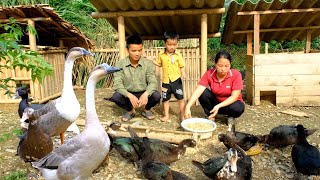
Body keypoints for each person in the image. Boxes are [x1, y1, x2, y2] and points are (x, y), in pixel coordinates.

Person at [184, 51, 244, 130]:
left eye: (227, 66)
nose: (223, 69)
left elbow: (234, 96)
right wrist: (188, 106)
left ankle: (230, 117)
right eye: (220, 65)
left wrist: (218, 106)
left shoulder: (236, 75)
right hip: (216, 103)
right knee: (203, 93)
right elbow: (199, 90)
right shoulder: (209, 73)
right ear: (215, 64)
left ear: (230, 65)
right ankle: (211, 115)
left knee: (238, 107)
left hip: (230, 104)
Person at [108, 34, 161, 121]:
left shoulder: (148, 64)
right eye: (134, 51)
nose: (137, 53)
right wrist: (129, 95)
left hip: (143, 92)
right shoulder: (120, 64)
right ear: (127, 50)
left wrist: (146, 93)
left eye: (140, 50)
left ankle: (146, 109)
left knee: (156, 96)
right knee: (116, 97)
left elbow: (153, 82)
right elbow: (117, 84)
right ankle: (130, 111)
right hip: (128, 93)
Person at [154, 31, 185, 122]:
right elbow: (159, 63)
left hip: (176, 81)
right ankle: (166, 115)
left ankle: (183, 115)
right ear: (165, 43)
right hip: (165, 81)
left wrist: (183, 73)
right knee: (165, 99)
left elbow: (181, 65)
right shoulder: (161, 54)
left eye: (174, 44)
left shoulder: (178, 55)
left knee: (180, 99)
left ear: (177, 43)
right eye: (169, 44)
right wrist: (152, 61)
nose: (172, 47)